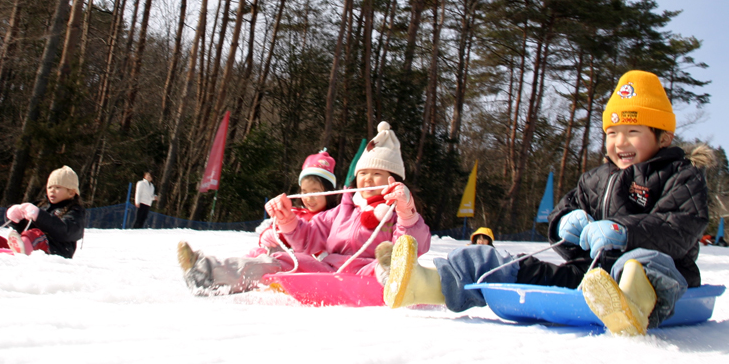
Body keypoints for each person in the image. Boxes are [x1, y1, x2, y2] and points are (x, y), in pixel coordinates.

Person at [382, 71, 710, 337]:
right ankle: (425, 284)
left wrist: (624, 232)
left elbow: (679, 227)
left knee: (641, 262)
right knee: (494, 261)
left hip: (662, 271)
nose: (619, 142)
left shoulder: (681, 175)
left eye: (632, 131)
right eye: (611, 132)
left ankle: (631, 304)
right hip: (591, 276)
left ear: (663, 137)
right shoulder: (596, 179)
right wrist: (565, 222)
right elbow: (563, 215)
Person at [177, 121, 431, 294]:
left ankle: (394, 281)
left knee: (386, 262)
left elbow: (413, 245)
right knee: (283, 259)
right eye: (363, 173)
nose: (367, 179)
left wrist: (406, 213)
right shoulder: (343, 211)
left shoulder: (398, 213)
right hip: (329, 269)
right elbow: (309, 238)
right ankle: (208, 273)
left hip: (369, 270)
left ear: (394, 179)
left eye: (377, 173)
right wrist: (288, 221)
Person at [0, 165, 86, 258]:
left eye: (58, 187)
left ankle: (24, 246)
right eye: (50, 187)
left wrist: (40, 216)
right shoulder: (41, 205)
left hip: (56, 251)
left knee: (35, 235)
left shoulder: (74, 211)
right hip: (26, 244)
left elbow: (67, 231)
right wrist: (16, 219)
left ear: (71, 192)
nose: (52, 191)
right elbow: (23, 230)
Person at [250, 150, 340, 256]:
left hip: (313, 266)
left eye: (315, 192)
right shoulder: (294, 213)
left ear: (329, 192)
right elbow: (277, 228)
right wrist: (270, 235)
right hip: (284, 263)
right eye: (304, 192)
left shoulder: (333, 217)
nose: (309, 198)